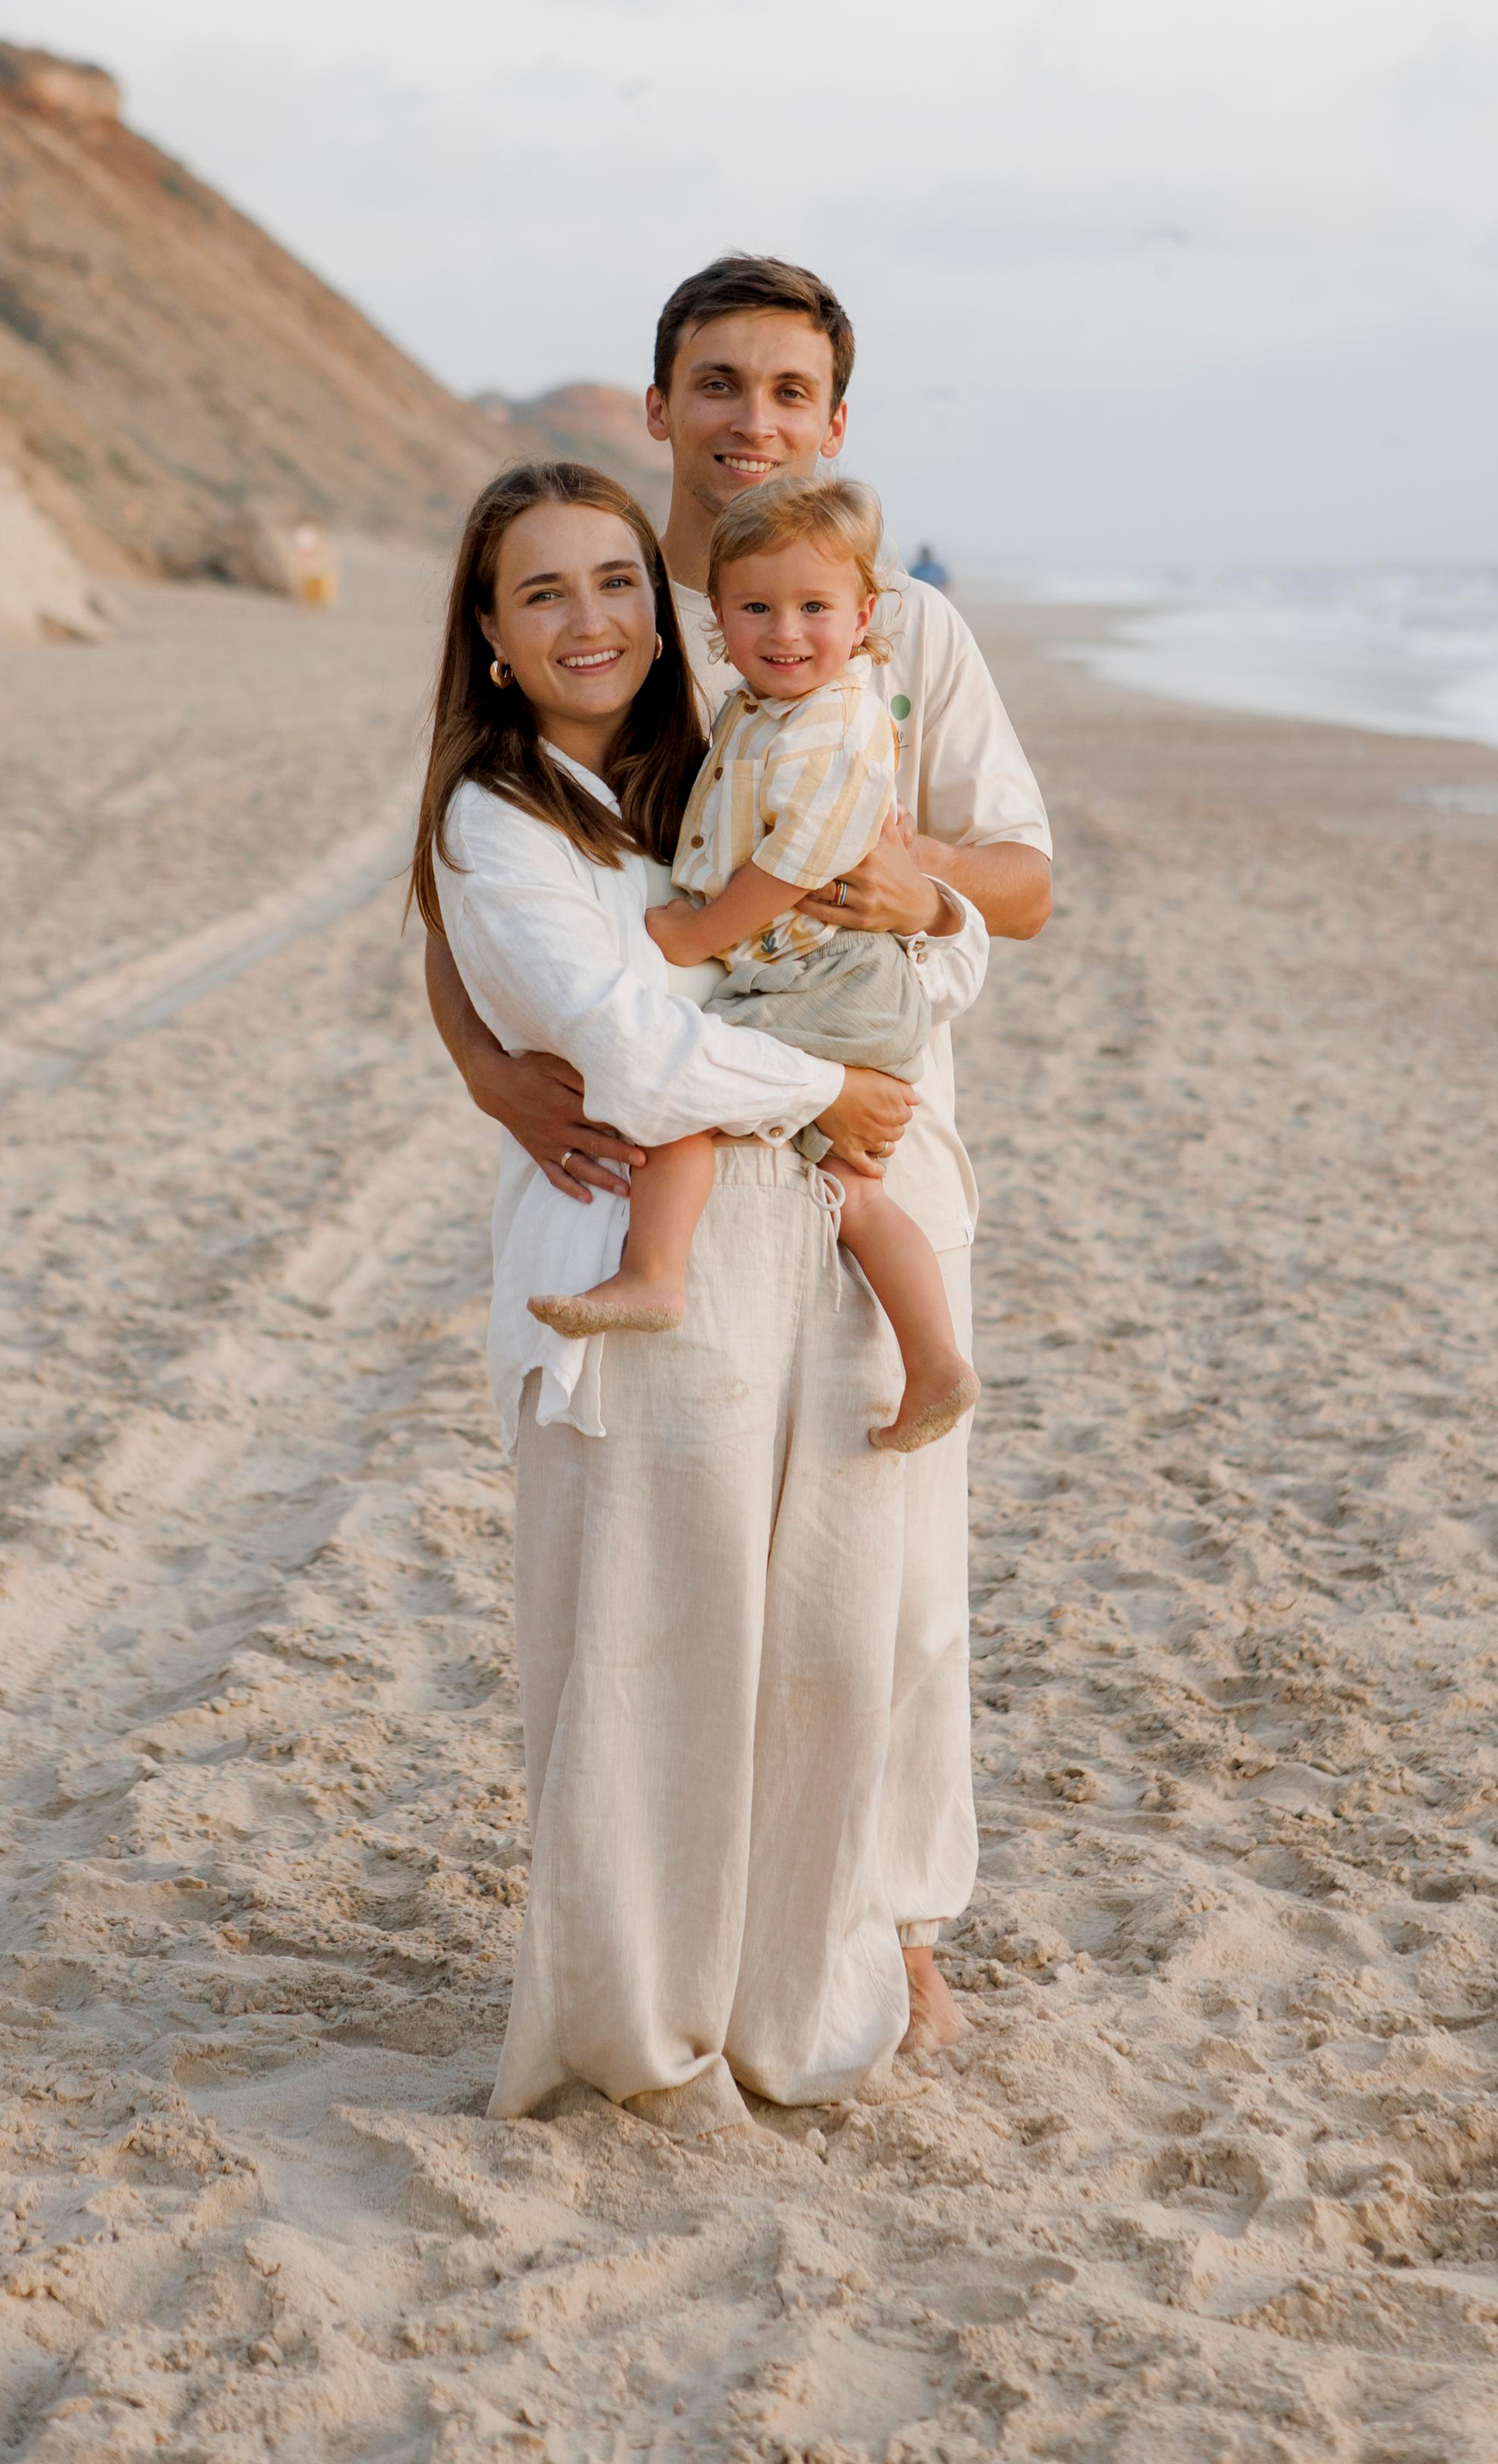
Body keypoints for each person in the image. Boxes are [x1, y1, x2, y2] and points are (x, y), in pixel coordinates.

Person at [423, 253, 1051, 2058]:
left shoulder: (901, 629)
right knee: (676, 1572)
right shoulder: (622, 615)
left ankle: (889, 1927)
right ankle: (673, 1952)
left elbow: (1022, 878)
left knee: (883, 1573)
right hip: (677, 1130)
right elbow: (517, 879)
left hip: (872, 1125)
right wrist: (481, 1064)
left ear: (834, 421)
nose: (750, 419)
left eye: (787, 391)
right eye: (717, 385)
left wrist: (907, 881)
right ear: (661, 409)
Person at [529, 475, 982, 1457]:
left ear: (863, 616)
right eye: (756, 608)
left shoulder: (835, 718)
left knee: (685, 1085)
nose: (785, 631)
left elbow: (795, 860)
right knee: (857, 1192)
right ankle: (937, 1360)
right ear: (718, 622)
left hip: (832, 976)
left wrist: (693, 934)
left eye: (814, 608)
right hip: (814, 973)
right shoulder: (762, 706)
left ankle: (653, 1272)